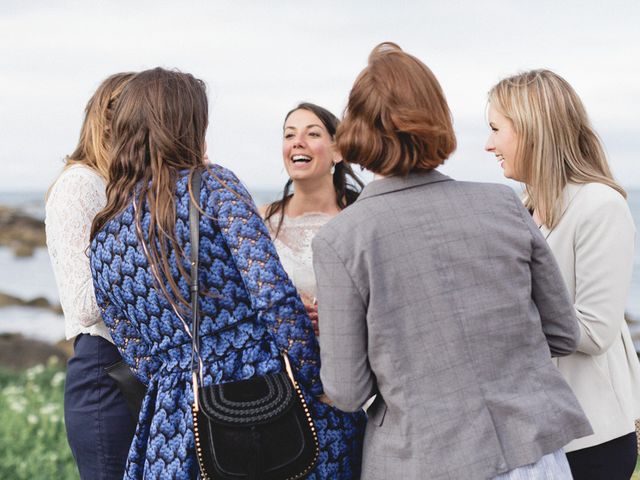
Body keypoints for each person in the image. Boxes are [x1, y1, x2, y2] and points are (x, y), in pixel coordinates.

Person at [312, 42, 593, 480]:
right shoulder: (501, 203)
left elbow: (347, 391)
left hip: (422, 461)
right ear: (436, 118)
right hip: (533, 458)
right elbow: (562, 332)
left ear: (357, 129)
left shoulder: (341, 238)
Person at [89, 68, 364, 480]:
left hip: (174, 420)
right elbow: (271, 295)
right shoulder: (213, 187)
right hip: (261, 396)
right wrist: (317, 379)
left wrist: (179, 376)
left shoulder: (105, 230)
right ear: (183, 125)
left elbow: (133, 345)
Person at [486, 69, 640, 479]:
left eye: (496, 129)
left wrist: (493, 318)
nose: (488, 144)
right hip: (536, 433)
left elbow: (595, 331)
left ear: (531, 129)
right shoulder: (524, 204)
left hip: (590, 439)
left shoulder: (599, 205)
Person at [45, 72, 136, 479]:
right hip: (107, 373)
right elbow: (84, 304)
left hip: (143, 371)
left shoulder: (125, 185)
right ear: (113, 120)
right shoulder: (81, 184)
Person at [262, 102, 364, 335]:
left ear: (337, 151)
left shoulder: (360, 216)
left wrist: (337, 313)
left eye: (313, 133)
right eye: (289, 135)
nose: (297, 142)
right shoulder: (262, 220)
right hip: (283, 364)